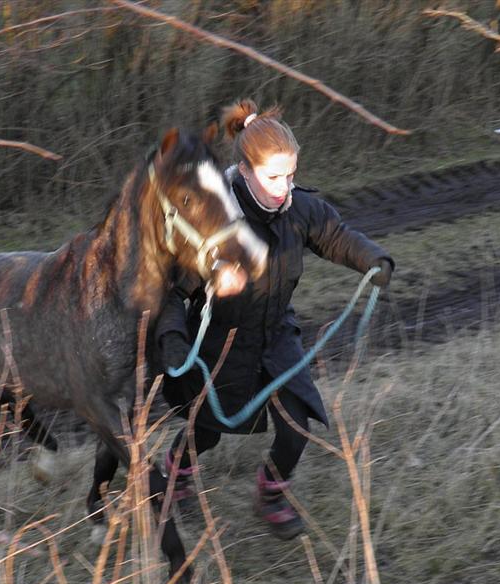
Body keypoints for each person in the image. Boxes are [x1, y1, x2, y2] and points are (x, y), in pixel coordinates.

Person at [154, 98, 394, 538]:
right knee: (205, 429)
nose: (284, 188)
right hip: (222, 343)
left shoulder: (298, 210)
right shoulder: (213, 220)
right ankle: (172, 477)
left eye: (290, 175)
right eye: (273, 177)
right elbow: (172, 292)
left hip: (276, 335)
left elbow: (336, 237)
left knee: (297, 426)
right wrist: (172, 338)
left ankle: (271, 494)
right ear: (245, 171)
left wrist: (373, 259)